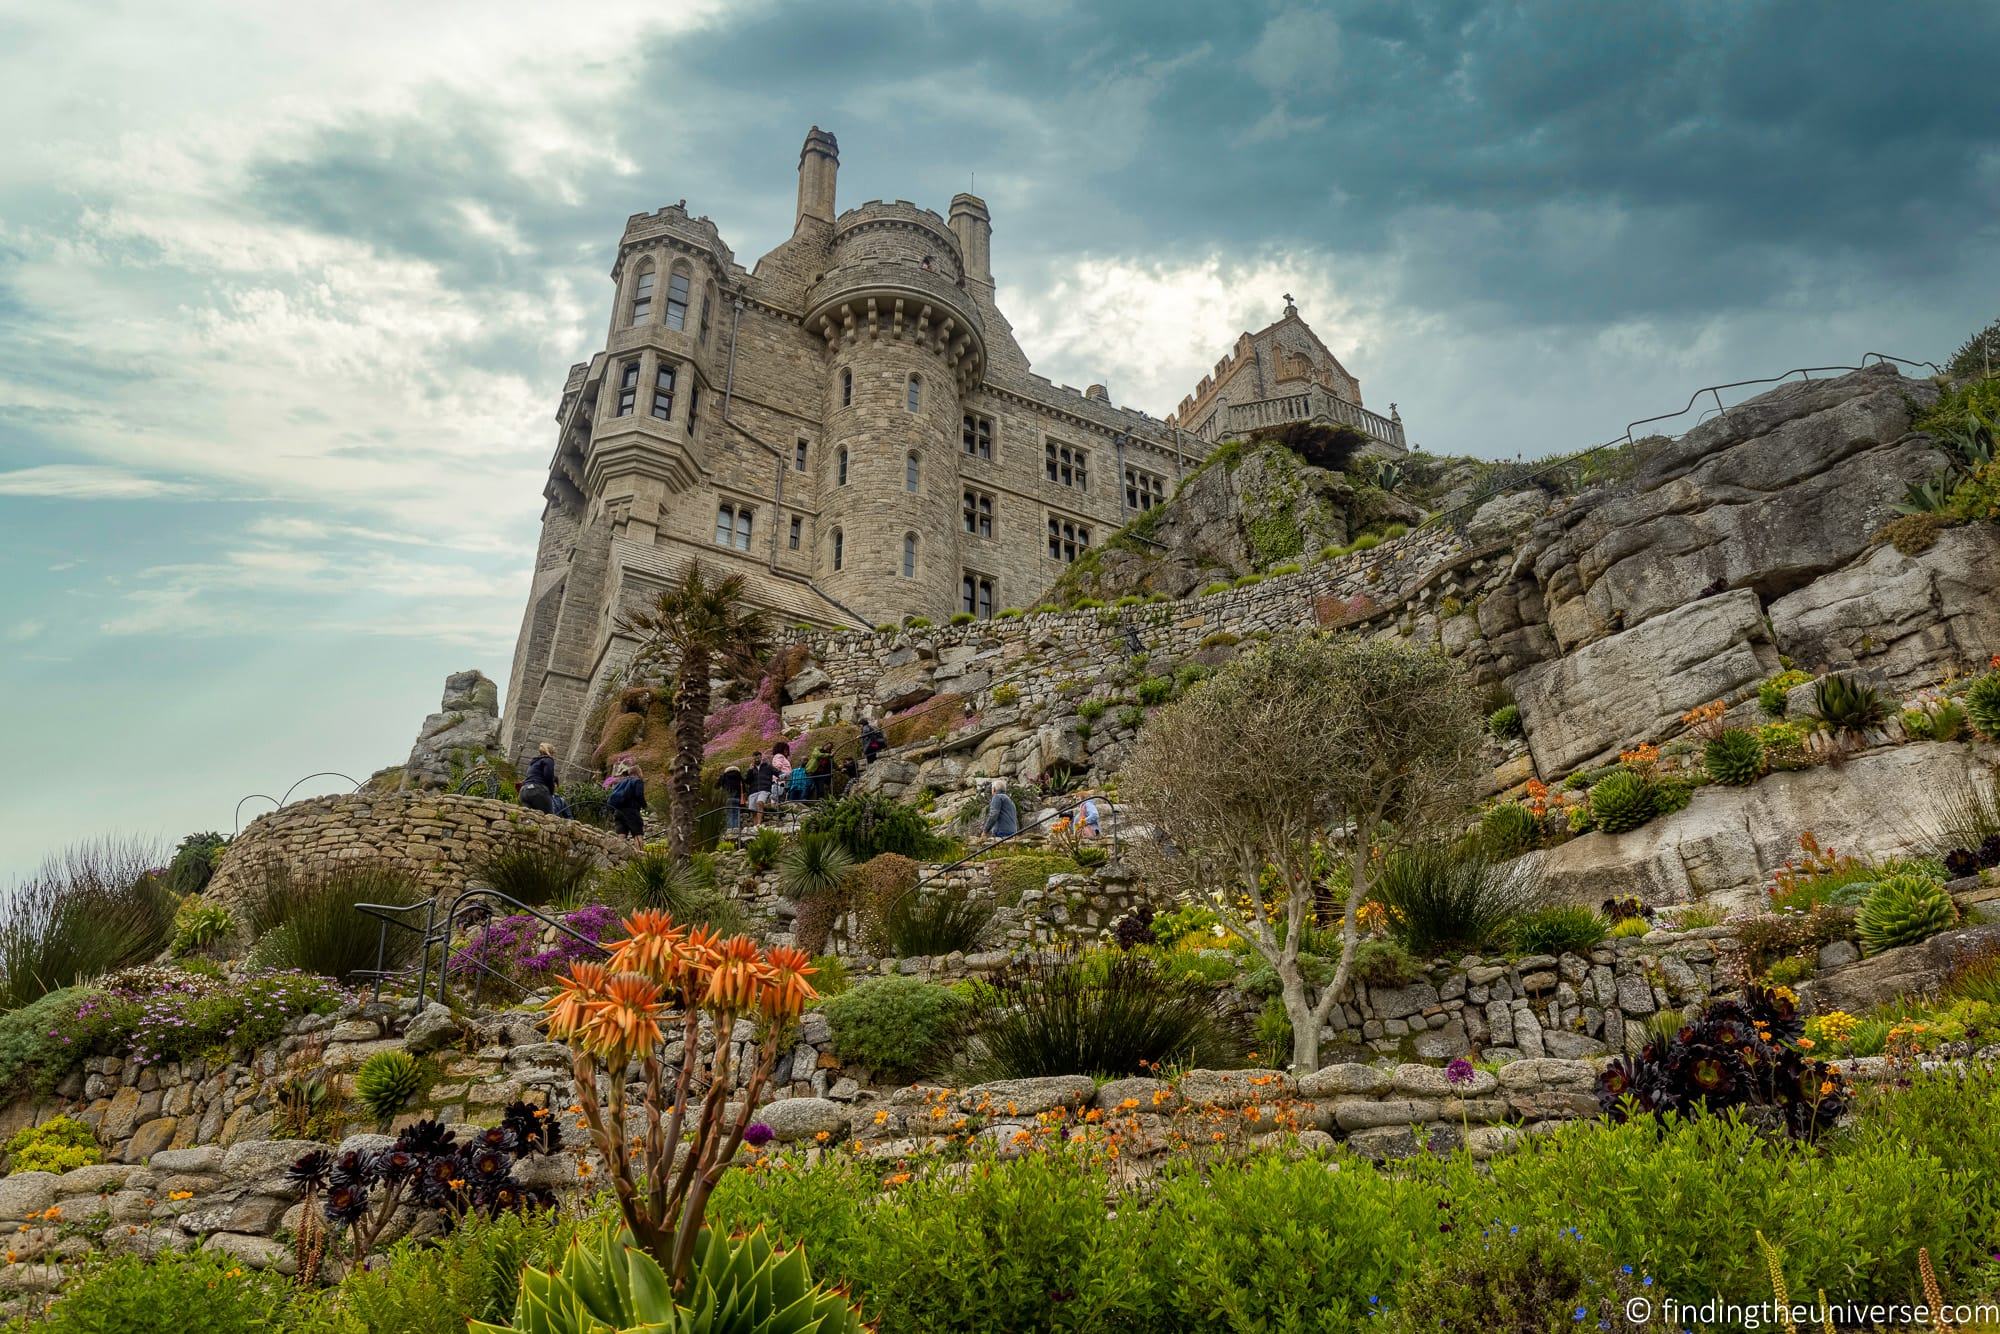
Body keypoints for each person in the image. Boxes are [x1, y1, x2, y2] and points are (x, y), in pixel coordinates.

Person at [605, 762, 647, 840]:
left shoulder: (621, 782)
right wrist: (644, 806)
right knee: (638, 834)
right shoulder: (637, 781)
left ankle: (618, 852)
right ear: (638, 772)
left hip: (618, 812)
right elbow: (639, 795)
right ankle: (639, 852)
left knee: (621, 834)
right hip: (631, 812)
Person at [746, 750, 773, 826]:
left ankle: (759, 824)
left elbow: (776, 772)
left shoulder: (767, 766)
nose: (756, 760)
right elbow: (747, 781)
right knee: (752, 809)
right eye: (755, 758)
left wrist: (782, 774)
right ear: (753, 759)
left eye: (758, 758)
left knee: (760, 803)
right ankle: (755, 826)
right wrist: (750, 771)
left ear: (761, 757)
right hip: (753, 790)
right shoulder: (751, 769)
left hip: (764, 788)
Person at [719, 763, 744, 832]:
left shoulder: (724, 776)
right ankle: (736, 829)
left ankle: (729, 830)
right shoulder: (739, 776)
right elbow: (744, 787)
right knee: (736, 813)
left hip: (728, 798)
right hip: (737, 798)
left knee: (729, 814)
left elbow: (717, 786)